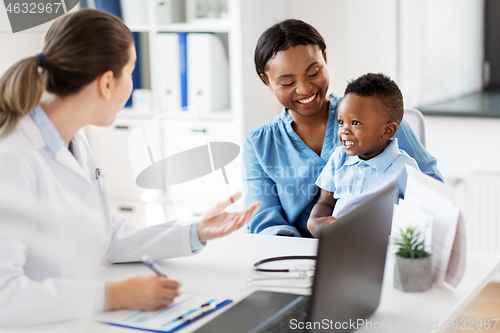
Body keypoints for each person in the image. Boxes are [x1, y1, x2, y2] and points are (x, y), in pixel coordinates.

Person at [0, 9, 261, 326]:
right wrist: (114, 296)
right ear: (107, 83)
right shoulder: (13, 157)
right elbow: (5, 296)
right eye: (132, 71)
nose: (133, 85)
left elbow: (103, 235)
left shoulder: (73, 142)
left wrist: (195, 231)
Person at [243, 19, 442, 238]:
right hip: (295, 258)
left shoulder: (377, 116)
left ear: (324, 59)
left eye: (313, 73)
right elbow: (264, 222)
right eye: (288, 83)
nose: (304, 88)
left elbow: (432, 189)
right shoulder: (258, 144)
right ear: (267, 81)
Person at [307, 73, 419, 237]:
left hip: (379, 248)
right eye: (341, 122)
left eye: (355, 123)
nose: (344, 130)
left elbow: (417, 216)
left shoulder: (405, 168)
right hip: (337, 243)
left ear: (387, 130)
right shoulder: (338, 158)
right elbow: (325, 201)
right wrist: (315, 221)